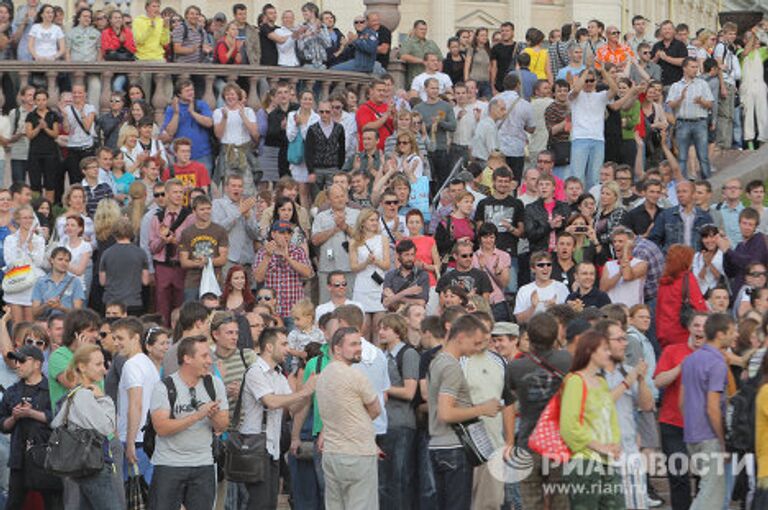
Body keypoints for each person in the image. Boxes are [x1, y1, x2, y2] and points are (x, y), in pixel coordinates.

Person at [427, 315, 502, 510]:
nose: (478, 348)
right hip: (453, 446)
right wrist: (483, 409)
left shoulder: (437, 360)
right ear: (460, 337)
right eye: (475, 342)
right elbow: (446, 413)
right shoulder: (451, 366)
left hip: (439, 445)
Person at [148, 335, 229, 510]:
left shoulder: (214, 385)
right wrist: (197, 416)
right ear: (187, 358)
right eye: (205, 356)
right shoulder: (165, 386)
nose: (210, 361)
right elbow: (161, 428)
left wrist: (212, 415)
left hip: (203, 465)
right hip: (169, 465)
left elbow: (223, 426)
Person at [315, 326, 381, 509]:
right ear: (337, 348)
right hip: (357, 453)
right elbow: (376, 409)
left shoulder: (323, 376)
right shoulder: (355, 375)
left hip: (332, 452)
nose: (358, 348)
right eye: (352, 344)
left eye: (359, 343)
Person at [50, 344, 122, 510]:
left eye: (104, 364)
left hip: (82, 467)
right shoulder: (84, 395)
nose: (103, 369)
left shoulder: (74, 394)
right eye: (97, 364)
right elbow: (107, 427)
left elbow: (56, 422)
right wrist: (104, 399)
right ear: (82, 367)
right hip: (94, 467)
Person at [560, 329, 624, 509]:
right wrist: (599, 446)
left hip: (607, 460)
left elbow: (610, 419)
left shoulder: (602, 382)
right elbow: (569, 426)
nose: (609, 353)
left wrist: (614, 444)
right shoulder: (575, 381)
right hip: (585, 461)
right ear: (590, 351)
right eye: (604, 349)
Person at [681, 313, 737, 509]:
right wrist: (722, 441)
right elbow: (713, 407)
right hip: (709, 435)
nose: (735, 335)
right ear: (721, 334)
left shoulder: (690, 359)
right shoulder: (717, 363)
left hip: (691, 434)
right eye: (732, 331)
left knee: (707, 491)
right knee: (711, 497)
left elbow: (682, 400)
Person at [0, 345, 62, 510]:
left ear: (37, 364)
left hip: (47, 458)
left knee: (54, 504)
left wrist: (31, 413)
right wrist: (14, 417)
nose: (17, 365)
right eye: (15, 361)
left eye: (22, 360)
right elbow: (3, 425)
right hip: (19, 459)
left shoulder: (53, 389)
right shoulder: (12, 392)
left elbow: (60, 419)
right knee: (13, 504)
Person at [111, 317, 159, 483]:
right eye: (114, 338)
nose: (116, 343)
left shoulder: (132, 365)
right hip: (147, 439)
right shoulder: (148, 363)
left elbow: (136, 404)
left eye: (121, 338)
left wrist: (130, 442)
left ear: (136, 337)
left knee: (133, 498)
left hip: (136, 440)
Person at [149, 179, 195, 326]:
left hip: (182, 266)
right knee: (161, 306)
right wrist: (163, 240)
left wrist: (176, 242)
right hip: (162, 267)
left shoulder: (190, 217)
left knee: (181, 306)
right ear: (167, 194)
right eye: (175, 192)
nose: (178, 195)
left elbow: (193, 245)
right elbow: (152, 248)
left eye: (181, 192)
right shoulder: (157, 218)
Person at [253, 220, 313, 325]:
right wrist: (268, 257)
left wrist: (288, 258)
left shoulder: (298, 251)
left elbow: (308, 273)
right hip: (272, 312)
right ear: (273, 234)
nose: (285, 236)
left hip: (294, 311)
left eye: (288, 233)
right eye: (281, 233)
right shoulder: (263, 252)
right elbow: (258, 278)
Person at [568, 67, 618, 190]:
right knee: (577, 176)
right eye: (587, 80)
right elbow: (576, 89)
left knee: (595, 178)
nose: (589, 83)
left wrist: (603, 71)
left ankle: (593, 204)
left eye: (592, 80)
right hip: (580, 138)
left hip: (598, 139)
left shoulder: (600, 96)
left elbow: (614, 89)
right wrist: (586, 70)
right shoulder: (574, 95)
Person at [665, 57, 714, 179]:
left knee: (703, 155)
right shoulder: (676, 86)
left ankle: (708, 183)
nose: (695, 70)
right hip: (682, 123)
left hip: (700, 122)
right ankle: (681, 184)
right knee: (682, 157)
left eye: (696, 67)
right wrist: (680, 98)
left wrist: (702, 101)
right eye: (692, 67)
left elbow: (711, 104)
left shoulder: (702, 84)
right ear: (684, 68)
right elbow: (670, 105)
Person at [311, 184, 360, 302]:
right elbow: (315, 240)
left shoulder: (357, 214)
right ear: (329, 199)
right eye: (336, 197)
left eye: (342, 196)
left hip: (350, 267)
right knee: (326, 304)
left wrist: (345, 227)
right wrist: (333, 230)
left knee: (350, 305)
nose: (340, 199)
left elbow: (362, 238)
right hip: (328, 267)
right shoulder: (321, 217)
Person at [178, 195, 229, 303]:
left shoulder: (220, 231)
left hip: (214, 281)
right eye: (202, 209)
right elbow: (183, 262)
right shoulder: (187, 233)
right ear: (194, 211)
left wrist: (208, 261)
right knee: (191, 314)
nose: (206, 212)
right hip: (193, 281)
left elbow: (223, 259)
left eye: (208, 208)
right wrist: (197, 263)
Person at [4, 205, 46, 324]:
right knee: (17, 325)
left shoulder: (39, 240)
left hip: (32, 284)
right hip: (15, 284)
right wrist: (21, 245)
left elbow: (38, 262)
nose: (28, 221)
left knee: (30, 325)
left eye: (31, 218)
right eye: (25, 218)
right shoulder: (10, 239)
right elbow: (9, 262)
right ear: (18, 220)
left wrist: (31, 248)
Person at [649, 180, 713, 253]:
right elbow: (654, 240)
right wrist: (663, 258)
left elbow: (710, 242)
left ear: (693, 194)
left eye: (684, 191)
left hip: (697, 261)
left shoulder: (705, 216)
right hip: (672, 261)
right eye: (678, 192)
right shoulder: (666, 215)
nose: (680, 195)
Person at [514, 251, 570, 323]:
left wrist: (555, 308)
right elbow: (519, 320)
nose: (545, 268)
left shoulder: (561, 288)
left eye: (549, 265)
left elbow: (569, 318)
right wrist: (533, 307)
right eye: (541, 265)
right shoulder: (524, 290)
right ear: (533, 269)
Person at [25, 88, 60, 201]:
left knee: (50, 183)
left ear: (47, 100)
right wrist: (39, 128)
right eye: (38, 100)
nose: (41, 102)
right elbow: (29, 135)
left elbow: (55, 134)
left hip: (50, 153)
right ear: (35, 101)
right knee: (35, 184)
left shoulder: (53, 115)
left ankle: (49, 210)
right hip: (35, 154)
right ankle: (36, 209)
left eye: (43, 100)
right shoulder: (31, 116)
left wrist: (45, 128)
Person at [30, 247, 85, 318]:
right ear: (52, 260)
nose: (64, 263)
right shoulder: (41, 282)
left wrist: (61, 308)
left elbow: (78, 313)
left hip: (66, 324)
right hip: (46, 325)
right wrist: (46, 305)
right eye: (60, 259)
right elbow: (34, 313)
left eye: (67, 261)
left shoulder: (75, 282)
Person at [382, 238, 430, 312]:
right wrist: (406, 292)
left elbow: (421, 303)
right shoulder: (390, 275)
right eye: (406, 255)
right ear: (399, 256)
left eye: (412, 254)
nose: (410, 258)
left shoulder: (422, 275)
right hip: (394, 317)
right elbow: (385, 303)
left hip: (414, 317)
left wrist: (394, 297)